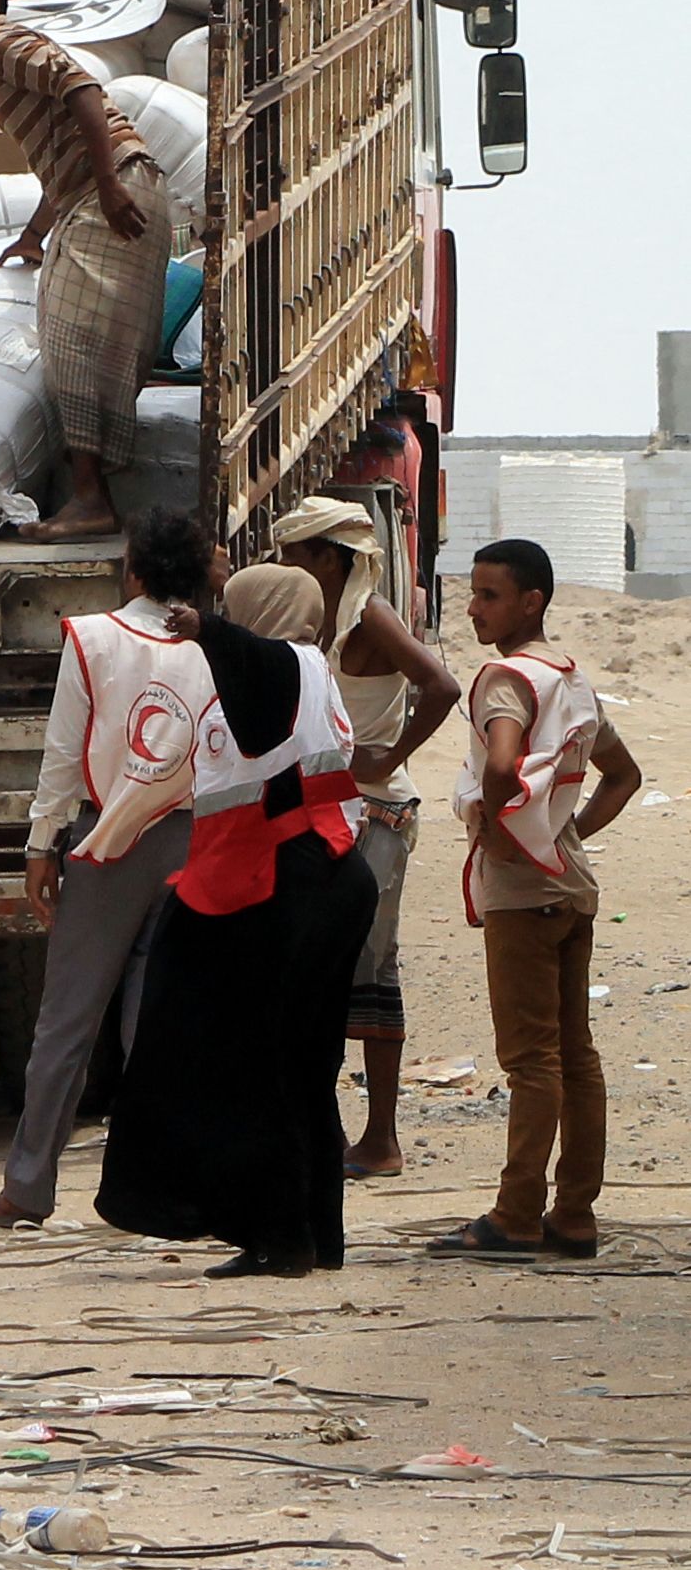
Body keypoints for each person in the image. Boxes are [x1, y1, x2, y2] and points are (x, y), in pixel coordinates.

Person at [94, 565, 378, 1276]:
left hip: (279, 882)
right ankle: (315, 1233)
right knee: (304, 1068)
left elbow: (261, 677)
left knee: (260, 1069)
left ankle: (279, 1235)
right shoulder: (314, 668)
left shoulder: (279, 669)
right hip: (326, 875)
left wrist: (211, 633)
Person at [0, 509, 216, 1228]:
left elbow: (62, 754)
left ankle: (27, 1185)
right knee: (161, 1024)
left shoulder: (94, 639)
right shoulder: (215, 648)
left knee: (66, 1024)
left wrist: (40, 844)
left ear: (134, 569)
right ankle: (164, 1184)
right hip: (193, 836)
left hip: (107, 837)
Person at [435, 538, 644, 1258]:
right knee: (575, 1055)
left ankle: (517, 1212)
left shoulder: (503, 679)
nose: (473, 608)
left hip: (524, 893)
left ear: (532, 601)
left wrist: (501, 826)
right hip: (570, 887)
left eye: (489, 595)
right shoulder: (572, 680)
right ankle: (575, 1212)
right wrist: (565, 833)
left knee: (531, 1060)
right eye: (472, 592)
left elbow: (501, 761)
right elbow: (623, 773)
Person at [0, 0, 173, 542]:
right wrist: (35, 235)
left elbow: (82, 90)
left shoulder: (2, 41)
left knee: (68, 338)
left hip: (110, 189)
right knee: (97, 344)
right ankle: (93, 494)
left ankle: (92, 501)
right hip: (102, 187)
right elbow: (59, 156)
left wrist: (110, 185)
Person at [266, 496, 463, 1179]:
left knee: (368, 972)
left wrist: (384, 755)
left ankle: (379, 1138)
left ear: (325, 557)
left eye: (294, 556)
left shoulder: (367, 616)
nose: (287, 568)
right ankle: (343, 1133)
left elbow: (440, 685)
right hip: (334, 811)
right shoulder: (321, 618)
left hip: (375, 812)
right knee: (337, 972)